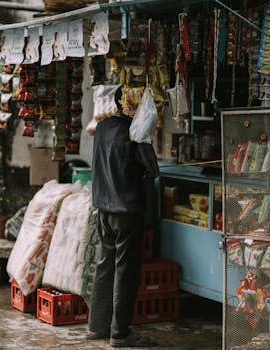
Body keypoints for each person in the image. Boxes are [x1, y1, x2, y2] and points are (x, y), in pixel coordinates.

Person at [87, 86, 158, 348]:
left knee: (105, 265)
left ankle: (96, 326)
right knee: (125, 271)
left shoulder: (103, 128)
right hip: (127, 209)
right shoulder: (136, 131)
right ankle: (119, 333)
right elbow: (152, 169)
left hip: (104, 207)